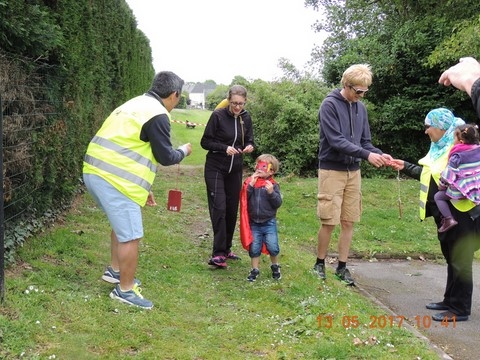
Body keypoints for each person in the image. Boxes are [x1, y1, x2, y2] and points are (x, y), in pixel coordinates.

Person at [83, 71, 192, 309]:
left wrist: (144, 186)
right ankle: (125, 289)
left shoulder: (134, 103)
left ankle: (115, 270)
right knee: (131, 235)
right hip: (114, 179)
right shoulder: (158, 114)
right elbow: (165, 156)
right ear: (174, 95)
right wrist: (184, 151)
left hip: (94, 172)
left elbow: (131, 146)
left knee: (120, 226)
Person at [389, 106, 480, 322]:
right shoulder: (439, 147)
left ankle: (460, 308)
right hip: (445, 214)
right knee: (451, 257)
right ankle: (449, 300)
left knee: (461, 259)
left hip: (463, 214)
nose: (425, 131)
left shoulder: (461, 147)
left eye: (428, 126)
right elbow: (429, 174)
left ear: (441, 127)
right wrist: (405, 166)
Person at [313, 64, 392, 286]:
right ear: (346, 86)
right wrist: (367, 155)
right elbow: (336, 141)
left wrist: (380, 155)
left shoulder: (361, 109)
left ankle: (342, 267)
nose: (361, 96)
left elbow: (364, 142)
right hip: (331, 170)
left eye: (365, 92)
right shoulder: (329, 105)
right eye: (358, 91)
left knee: (349, 221)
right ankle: (319, 264)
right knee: (329, 221)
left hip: (353, 172)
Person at [201, 85, 255, 268]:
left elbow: (250, 139)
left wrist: (249, 147)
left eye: (240, 103)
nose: (237, 107)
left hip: (235, 169)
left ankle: (227, 248)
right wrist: (223, 148)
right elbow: (205, 142)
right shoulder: (217, 116)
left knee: (232, 209)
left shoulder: (246, 118)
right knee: (219, 208)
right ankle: (218, 253)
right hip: (216, 167)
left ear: (245, 102)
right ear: (228, 101)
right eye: (234, 103)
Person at [239, 154, 283, 281]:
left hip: (269, 222)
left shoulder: (273, 185)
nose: (259, 168)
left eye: (264, 166)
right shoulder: (250, 182)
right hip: (254, 223)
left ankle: (275, 266)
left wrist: (271, 193)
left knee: (273, 246)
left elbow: (278, 203)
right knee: (254, 247)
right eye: (258, 165)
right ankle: (254, 270)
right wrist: (250, 186)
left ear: (271, 171)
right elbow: (244, 199)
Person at [434, 123, 480, 232]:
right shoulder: (478, 150)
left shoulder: (456, 156)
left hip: (463, 191)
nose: (452, 140)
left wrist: (442, 186)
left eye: (454, 137)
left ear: (461, 142)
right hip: (476, 187)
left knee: (438, 197)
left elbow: (448, 176)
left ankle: (449, 219)